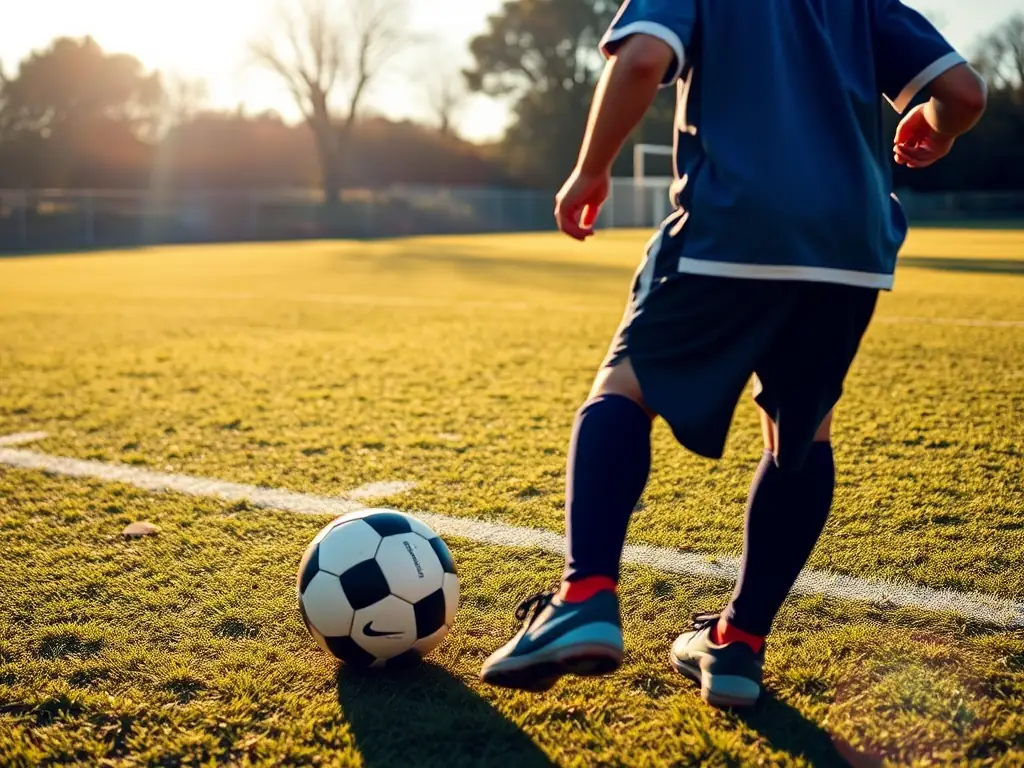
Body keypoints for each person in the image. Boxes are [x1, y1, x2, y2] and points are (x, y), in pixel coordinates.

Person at [479, 0, 987, 707]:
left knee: (624, 388)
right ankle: (738, 645)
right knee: (801, 437)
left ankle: (585, 594)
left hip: (734, 222)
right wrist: (934, 129)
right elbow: (963, 94)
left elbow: (644, 57)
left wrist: (591, 170)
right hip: (851, 247)